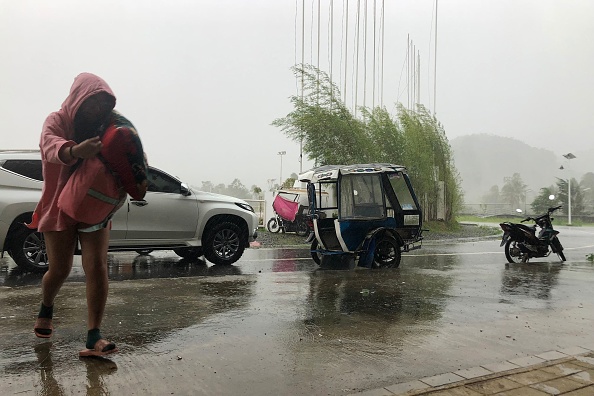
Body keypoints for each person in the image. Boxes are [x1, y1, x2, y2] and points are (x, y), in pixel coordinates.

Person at [30, 72, 124, 357]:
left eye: (101, 104)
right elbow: (49, 145)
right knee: (59, 269)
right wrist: (75, 151)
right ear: (77, 98)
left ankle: (93, 336)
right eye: (91, 103)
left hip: (94, 204)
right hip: (58, 206)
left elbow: (128, 146)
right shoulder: (57, 120)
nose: (95, 110)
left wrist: (138, 170)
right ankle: (47, 307)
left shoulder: (108, 124)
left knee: (96, 267)